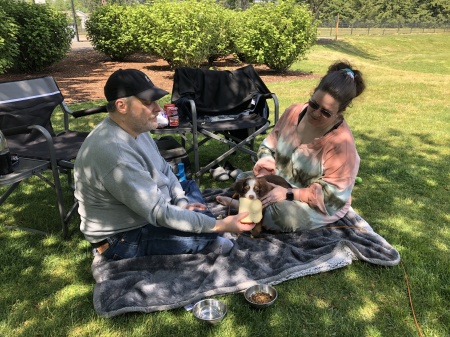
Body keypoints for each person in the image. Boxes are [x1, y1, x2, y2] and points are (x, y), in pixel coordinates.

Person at [74, 68, 255, 260]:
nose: (158, 108)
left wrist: (182, 203)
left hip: (148, 208)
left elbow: (164, 170)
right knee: (208, 230)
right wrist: (222, 225)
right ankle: (207, 239)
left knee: (188, 187)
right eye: (147, 103)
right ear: (121, 106)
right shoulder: (114, 151)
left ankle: (195, 221)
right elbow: (159, 213)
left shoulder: (136, 127)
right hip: (121, 237)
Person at [217, 61, 366, 232]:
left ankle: (247, 209)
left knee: (281, 214)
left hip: (314, 202)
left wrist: (288, 194)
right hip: (279, 181)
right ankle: (252, 210)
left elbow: (331, 198)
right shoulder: (293, 112)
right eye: (314, 104)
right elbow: (268, 147)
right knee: (244, 179)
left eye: (326, 112)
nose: (316, 113)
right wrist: (267, 174)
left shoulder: (342, 145)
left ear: (340, 112)